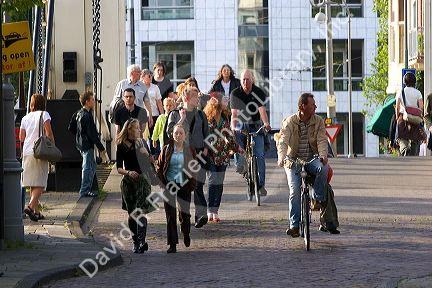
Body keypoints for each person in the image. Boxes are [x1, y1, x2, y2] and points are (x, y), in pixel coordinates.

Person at [277, 93, 337, 237]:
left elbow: (322, 140)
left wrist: (323, 156)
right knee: (294, 191)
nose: (315, 107)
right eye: (312, 105)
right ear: (302, 107)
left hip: (311, 159)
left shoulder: (318, 121)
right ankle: (294, 226)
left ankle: (316, 198)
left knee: (324, 168)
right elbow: (283, 141)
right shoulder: (290, 121)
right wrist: (281, 158)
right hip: (293, 161)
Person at [166, 86, 210, 228]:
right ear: (186, 98)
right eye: (195, 97)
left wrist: (205, 149)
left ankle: (201, 215)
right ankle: (184, 217)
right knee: (184, 187)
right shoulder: (174, 114)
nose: (198, 99)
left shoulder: (201, 115)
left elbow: (207, 133)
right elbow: (169, 133)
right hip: (181, 154)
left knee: (198, 184)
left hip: (198, 153)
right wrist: (182, 119)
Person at [116, 118, 156, 253]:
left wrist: (147, 154)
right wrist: (128, 172)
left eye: (139, 127)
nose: (140, 130)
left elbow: (152, 162)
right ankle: (135, 242)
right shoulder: (121, 145)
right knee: (132, 213)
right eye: (137, 128)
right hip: (128, 183)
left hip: (143, 182)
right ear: (130, 129)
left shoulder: (143, 142)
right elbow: (118, 168)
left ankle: (142, 241)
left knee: (142, 211)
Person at [156, 124, 196, 253]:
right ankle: (172, 244)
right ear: (172, 135)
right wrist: (162, 183)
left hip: (184, 184)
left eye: (181, 133)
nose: (178, 135)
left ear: (185, 135)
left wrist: (192, 185)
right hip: (169, 184)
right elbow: (159, 166)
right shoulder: (167, 149)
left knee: (185, 214)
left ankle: (185, 233)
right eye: (176, 133)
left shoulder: (189, 149)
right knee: (170, 216)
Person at [230, 69, 271, 196]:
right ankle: (240, 164)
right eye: (243, 79)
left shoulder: (258, 92)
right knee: (237, 142)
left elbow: (262, 111)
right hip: (241, 124)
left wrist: (266, 124)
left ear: (252, 80)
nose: (245, 82)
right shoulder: (235, 93)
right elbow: (234, 114)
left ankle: (261, 186)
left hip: (255, 124)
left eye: (247, 79)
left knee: (259, 155)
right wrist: (233, 128)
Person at [203, 93, 241, 222]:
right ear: (218, 102)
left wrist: (238, 148)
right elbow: (205, 136)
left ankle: (216, 211)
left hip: (223, 154)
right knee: (213, 180)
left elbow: (229, 135)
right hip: (211, 154)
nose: (227, 101)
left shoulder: (225, 117)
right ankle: (209, 210)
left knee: (219, 183)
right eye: (225, 100)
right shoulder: (209, 117)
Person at [19, 94, 55, 221]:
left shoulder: (25, 118)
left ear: (32, 104)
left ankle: (36, 212)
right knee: (40, 182)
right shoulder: (44, 114)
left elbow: (21, 137)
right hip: (39, 151)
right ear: (43, 103)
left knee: (32, 183)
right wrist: (53, 147)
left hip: (27, 151)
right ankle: (29, 207)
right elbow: (48, 132)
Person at [75, 91, 109, 198]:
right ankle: (85, 190)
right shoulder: (87, 116)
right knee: (88, 167)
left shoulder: (79, 113)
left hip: (80, 144)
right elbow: (92, 134)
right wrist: (101, 148)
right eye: (92, 100)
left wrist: (79, 136)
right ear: (87, 102)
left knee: (92, 165)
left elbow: (71, 127)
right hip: (87, 144)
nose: (94, 102)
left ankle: (86, 189)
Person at [395, 72, 425, 156]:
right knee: (415, 137)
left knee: (402, 137)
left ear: (404, 82)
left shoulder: (400, 92)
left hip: (403, 117)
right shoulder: (418, 92)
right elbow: (421, 107)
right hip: (415, 119)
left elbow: (397, 107)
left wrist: (397, 118)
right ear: (414, 82)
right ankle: (414, 153)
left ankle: (404, 149)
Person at [141, 69, 163, 154]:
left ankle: (156, 156)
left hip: (155, 115)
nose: (151, 77)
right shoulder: (140, 87)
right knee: (144, 138)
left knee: (154, 137)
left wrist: (162, 115)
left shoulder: (155, 87)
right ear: (143, 77)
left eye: (151, 75)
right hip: (143, 116)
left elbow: (159, 102)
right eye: (149, 75)